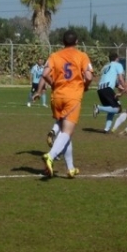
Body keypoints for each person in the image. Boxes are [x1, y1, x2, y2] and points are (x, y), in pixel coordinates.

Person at [32, 29, 93, 179]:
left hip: (57, 97)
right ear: (77, 42)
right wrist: (85, 86)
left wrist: (53, 84)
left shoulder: (54, 56)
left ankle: (70, 168)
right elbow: (89, 76)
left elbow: (44, 74)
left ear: (63, 42)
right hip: (72, 97)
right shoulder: (82, 56)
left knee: (65, 132)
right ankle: (51, 156)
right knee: (67, 132)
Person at [93, 52, 127, 133]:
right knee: (118, 109)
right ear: (117, 58)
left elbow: (112, 80)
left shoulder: (106, 66)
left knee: (111, 108)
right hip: (107, 88)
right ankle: (98, 108)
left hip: (100, 89)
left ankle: (106, 129)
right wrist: (126, 88)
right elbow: (121, 79)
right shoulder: (118, 65)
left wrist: (121, 88)